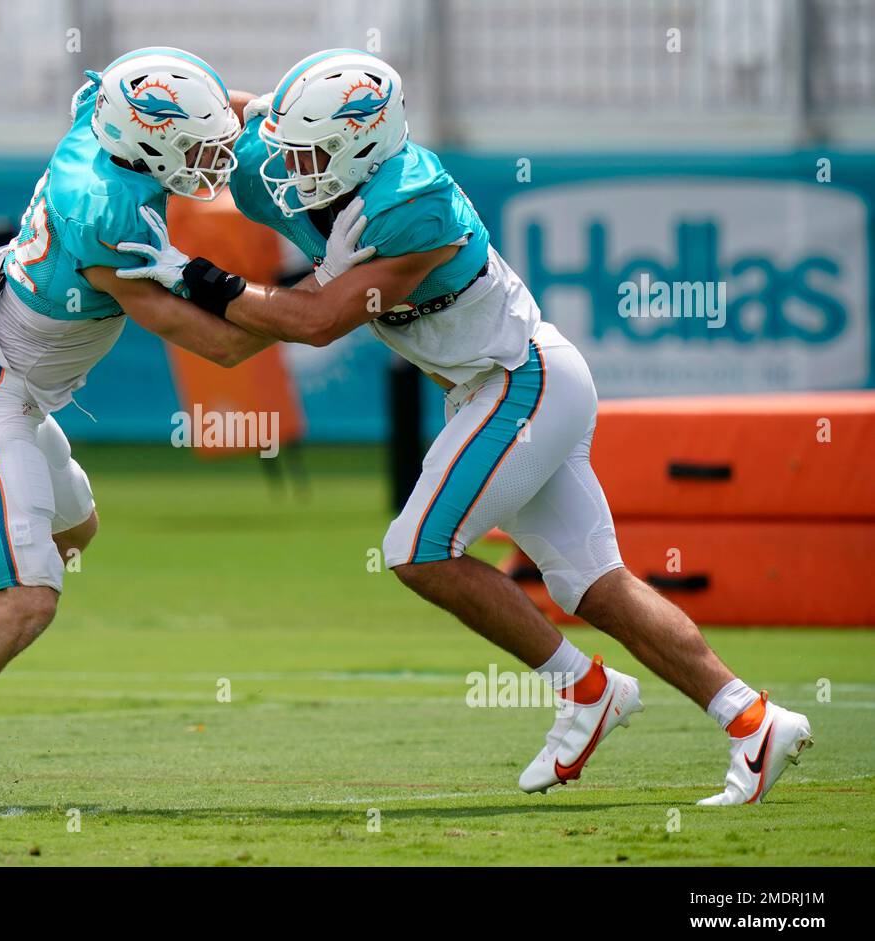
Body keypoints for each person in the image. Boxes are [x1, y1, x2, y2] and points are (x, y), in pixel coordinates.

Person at [118, 49, 813, 806]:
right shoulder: (282, 153)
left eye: (310, 150)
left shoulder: (414, 207)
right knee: (594, 586)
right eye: (288, 142)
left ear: (364, 150)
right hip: (500, 385)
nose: (287, 164)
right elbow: (237, 113)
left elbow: (316, 321)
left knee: (416, 551)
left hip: (519, 382)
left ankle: (584, 687)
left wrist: (193, 274)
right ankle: (754, 719)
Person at [0, 47, 276, 813]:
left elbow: (224, 108)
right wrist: (315, 301)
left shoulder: (102, 118)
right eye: (195, 144)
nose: (212, 157)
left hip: (26, 394)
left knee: (73, 533)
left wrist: (291, 107)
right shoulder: (106, 216)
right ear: (146, 142)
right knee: (30, 597)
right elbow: (221, 344)